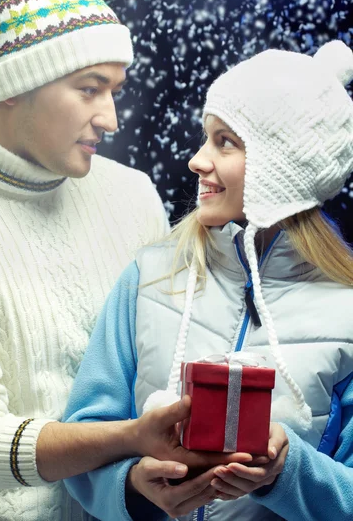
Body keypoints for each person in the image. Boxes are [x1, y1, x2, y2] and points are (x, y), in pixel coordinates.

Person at [0, 0, 251, 519]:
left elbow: (170, 359)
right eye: (90, 89)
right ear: (14, 88)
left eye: (115, 89)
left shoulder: (133, 195)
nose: (111, 119)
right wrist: (126, 440)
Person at [64, 39, 353, 521]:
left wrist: (288, 472)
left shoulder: (347, 309)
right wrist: (132, 485)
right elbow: (83, 438)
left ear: (282, 169)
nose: (198, 160)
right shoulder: (149, 277)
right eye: (206, 137)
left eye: (226, 142)